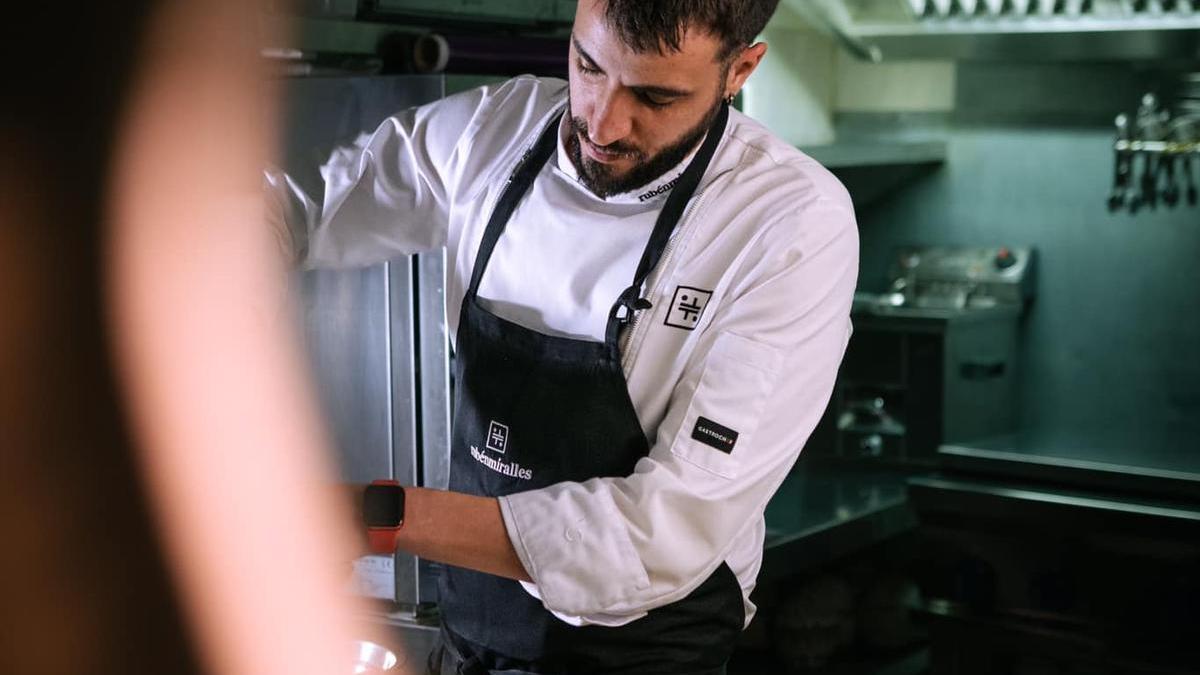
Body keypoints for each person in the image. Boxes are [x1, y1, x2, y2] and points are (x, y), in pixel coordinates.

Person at [268, 0, 859, 672]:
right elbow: (304, 203)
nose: (601, 122)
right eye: (587, 65)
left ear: (740, 69)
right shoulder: (501, 129)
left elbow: (658, 532)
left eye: (654, 96)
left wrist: (371, 516)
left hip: (637, 656)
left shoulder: (788, 224)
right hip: (467, 633)